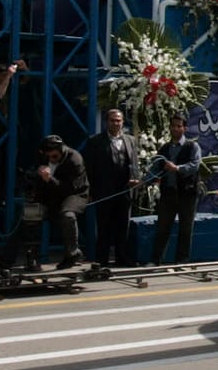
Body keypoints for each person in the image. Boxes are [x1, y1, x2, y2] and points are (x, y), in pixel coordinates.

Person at [82, 109, 141, 267]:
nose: (116, 123)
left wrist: (136, 179)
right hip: (104, 191)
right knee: (104, 227)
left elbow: (134, 163)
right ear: (106, 122)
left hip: (125, 190)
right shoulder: (94, 141)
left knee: (123, 226)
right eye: (113, 120)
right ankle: (102, 260)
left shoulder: (130, 140)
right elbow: (88, 168)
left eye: (118, 120)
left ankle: (122, 258)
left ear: (122, 122)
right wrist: (90, 191)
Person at [27, 134, 90, 269]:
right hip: (51, 195)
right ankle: (20, 257)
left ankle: (72, 254)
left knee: (67, 216)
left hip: (75, 195)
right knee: (30, 214)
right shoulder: (43, 157)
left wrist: (50, 179)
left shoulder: (74, 159)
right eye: (48, 156)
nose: (51, 159)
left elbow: (69, 189)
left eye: (54, 156)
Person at [149, 115, 204, 265]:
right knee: (162, 228)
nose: (175, 128)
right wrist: (142, 181)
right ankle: (156, 261)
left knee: (185, 229)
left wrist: (177, 168)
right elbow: (155, 168)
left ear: (184, 128)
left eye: (179, 126)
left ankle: (182, 261)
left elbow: (194, 165)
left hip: (187, 194)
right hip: (168, 193)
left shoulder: (192, 147)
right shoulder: (165, 148)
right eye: (173, 126)